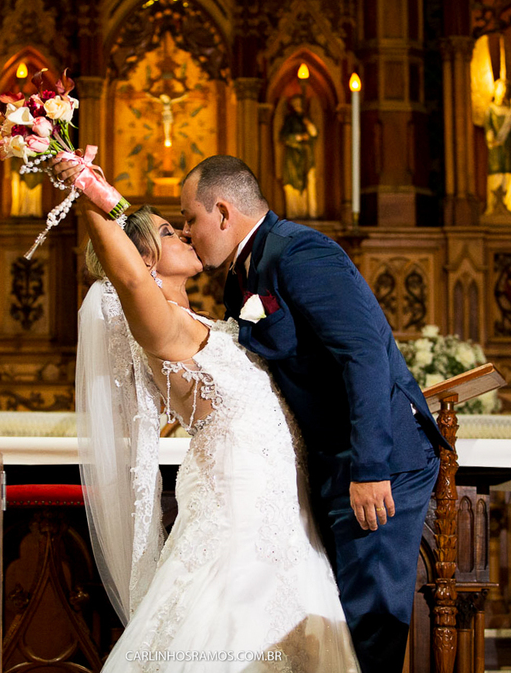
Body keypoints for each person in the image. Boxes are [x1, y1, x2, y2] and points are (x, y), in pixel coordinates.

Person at [179, 155, 448, 673]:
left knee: (370, 623)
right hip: (331, 460)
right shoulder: (244, 269)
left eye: (190, 218)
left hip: (378, 460)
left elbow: (364, 353)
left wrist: (370, 467)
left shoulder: (299, 252)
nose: (189, 232)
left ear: (222, 210)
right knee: (340, 618)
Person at [74, 196, 360, 671]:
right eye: (169, 232)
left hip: (287, 520)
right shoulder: (162, 329)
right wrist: (87, 193)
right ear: (142, 259)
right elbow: (125, 277)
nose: (185, 234)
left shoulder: (208, 325)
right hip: (238, 522)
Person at [484, 78, 511, 213]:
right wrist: (491, 139)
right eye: (500, 88)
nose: (503, 91)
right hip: (497, 148)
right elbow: (488, 126)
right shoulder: (491, 109)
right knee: (496, 171)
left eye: (505, 89)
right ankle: (494, 206)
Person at [279, 95, 319, 219]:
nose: (297, 104)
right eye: (295, 102)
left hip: (306, 156)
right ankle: (294, 212)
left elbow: (314, 134)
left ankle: (310, 212)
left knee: (308, 180)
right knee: (292, 182)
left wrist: (308, 125)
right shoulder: (290, 119)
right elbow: (284, 137)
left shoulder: (306, 119)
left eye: (299, 102)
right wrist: (298, 138)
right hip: (293, 156)